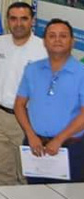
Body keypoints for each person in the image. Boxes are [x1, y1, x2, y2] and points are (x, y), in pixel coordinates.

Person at [0, 2, 47, 185]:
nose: (18, 24)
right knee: (0, 169)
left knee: (27, 172)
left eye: (24, 19)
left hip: (28, 119)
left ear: (32, 21)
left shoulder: (42, 48)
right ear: (7, 21)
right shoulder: (0, 43)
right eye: (13, 19)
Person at [15, 19, 84, 183]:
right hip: (35, 146)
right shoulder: (32, 69)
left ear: (72, 41)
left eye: (63, 36)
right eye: (52, 36)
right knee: (35, 194)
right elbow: (19, 105)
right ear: (44, 42)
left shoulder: (81, 72)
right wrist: (30, 135)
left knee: (68, 196)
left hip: (70, 148)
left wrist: (59, 139)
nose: (57, 40)